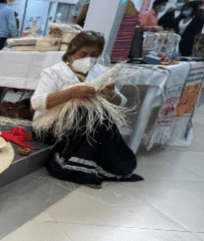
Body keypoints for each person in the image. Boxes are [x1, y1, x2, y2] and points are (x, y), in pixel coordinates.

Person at [31, 32, 143, 188]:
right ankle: (74, 169)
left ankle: (109, 165)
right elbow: (37, 102)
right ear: (70, 54)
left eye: (94, 55)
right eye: (82, 54)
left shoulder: (101, 72)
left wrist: (109, 95)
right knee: (86, 114)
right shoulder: (54, 73)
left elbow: (121, 101)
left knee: (99, 115)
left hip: (90, 126)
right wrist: (71, 94)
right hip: (50, 127)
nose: (88, 59)